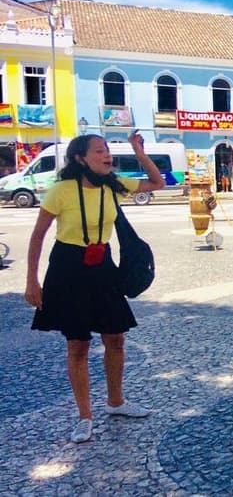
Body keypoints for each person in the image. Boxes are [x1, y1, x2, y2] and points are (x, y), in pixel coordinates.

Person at [24, 131, 165, 443]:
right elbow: (37, 236)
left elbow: (158, 184)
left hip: (102, 265)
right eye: (99, 151)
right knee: (78, 344)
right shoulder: (61, 190)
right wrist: (32, 281)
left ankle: (116, 402)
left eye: (107, 150)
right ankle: (84, 416)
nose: (106, 155)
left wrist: (138, 151)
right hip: (68, 267)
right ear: (80, 158)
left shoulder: (112, 184)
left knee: (116, 338)